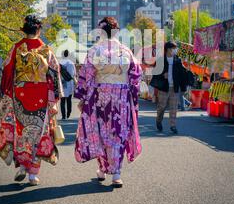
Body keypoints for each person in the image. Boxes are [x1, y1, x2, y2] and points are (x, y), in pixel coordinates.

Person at [0, 15, 63, 186]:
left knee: (21, 131)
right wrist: (55, 96)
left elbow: (7, 72)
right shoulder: (46, 49)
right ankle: (33, 173)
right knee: (38, 133)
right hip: (40, 95)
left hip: (20, 94)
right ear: (39, 30)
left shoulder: (16, 48)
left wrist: (4, 93)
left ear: (24, 30)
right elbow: (55, 73)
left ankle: (23, 166)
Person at [74, 16, 142, 188]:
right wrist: (133, 97)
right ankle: (116, 173)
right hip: (121, 98)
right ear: (117, 31)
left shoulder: (95, 51)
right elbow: (136, 75)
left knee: (101, 133)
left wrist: (83, 98)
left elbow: (87, 75)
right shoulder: (126, 51)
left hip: (100, 97)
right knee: (118, 132)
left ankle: (103, 169)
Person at [152, 41, 189, 134]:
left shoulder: (178, 60)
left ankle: (173, 125)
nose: (175, 50)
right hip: (164, 87)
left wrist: (183, 88)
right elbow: (155, 73)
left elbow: (182, 75)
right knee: (162, 107)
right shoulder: (161, 60)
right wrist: (162, 75)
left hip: (174, 88)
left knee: (173, 108)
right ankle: (158, 120)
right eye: (174, 48)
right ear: (168, 49)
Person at [59, 50, 76, 120]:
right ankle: (68, 113)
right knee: (69, 99)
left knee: (62, 101)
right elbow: (73, 74)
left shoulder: (59, 63)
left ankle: (63, 116)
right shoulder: (71, 63)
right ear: (68, 55)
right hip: (69, 83)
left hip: (62, 83)